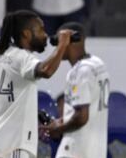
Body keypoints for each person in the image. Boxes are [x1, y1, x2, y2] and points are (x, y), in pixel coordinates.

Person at [0, 10, 72, 158]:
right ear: (26, 34)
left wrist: (30, 112)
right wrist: (62, 44)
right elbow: (46, 70)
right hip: (14, 144)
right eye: (41, 30)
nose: (45, 35)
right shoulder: (22, 57)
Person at [40, 22, 109, 158]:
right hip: (96, 150)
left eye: (59, 41)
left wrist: (57, 129)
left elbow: (82, 117)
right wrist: (60, 121)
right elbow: (88, 110)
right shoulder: (99, 65)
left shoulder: (79, 71)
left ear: (69, 40)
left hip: (76, 150)